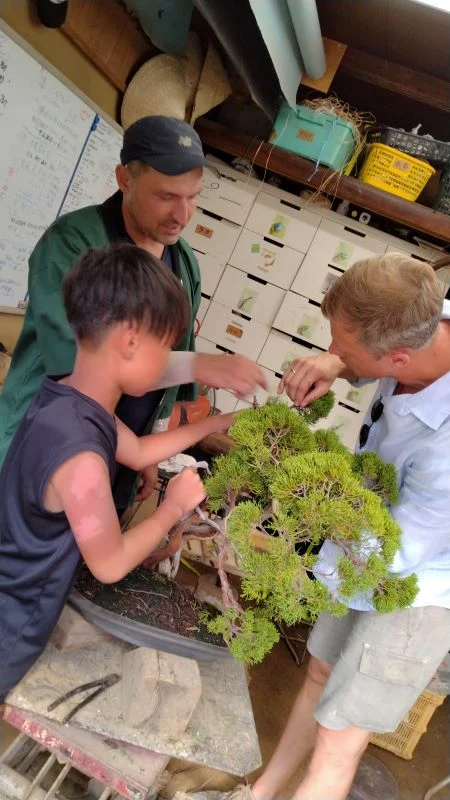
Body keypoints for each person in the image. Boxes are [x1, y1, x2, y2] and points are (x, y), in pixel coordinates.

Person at [227, 253, 450, 800]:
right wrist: (338, 365)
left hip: (418, 587)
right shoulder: (424, 314)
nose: (333, 352)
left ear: (398, 357)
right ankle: (259, 795)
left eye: (345, 349)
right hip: (360, 528)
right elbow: (365, 349)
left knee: (339, 737)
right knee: (320, 677)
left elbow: (391, 556)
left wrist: (300, 506)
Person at [0, 243, 235, 703]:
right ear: (129, 342)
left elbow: (139, 449)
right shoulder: (83, 462)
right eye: (165, 346)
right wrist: (173, 508)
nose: (168, 359)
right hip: (10, 623)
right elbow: (108, 565)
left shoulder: (71, 401)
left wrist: (216, 425)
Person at [0, 115, 266, 513]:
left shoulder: (184, 264)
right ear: (125, 178)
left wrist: (151, 451)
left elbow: (171, 389)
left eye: (193, 197)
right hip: (42, 447)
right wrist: (197, 364)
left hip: (118, 455)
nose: (183, 214)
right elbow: (78, 368)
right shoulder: (73, 244)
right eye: (166, 196)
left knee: (74, 560)